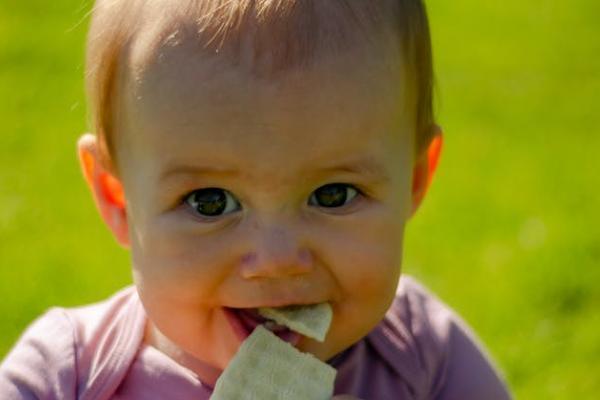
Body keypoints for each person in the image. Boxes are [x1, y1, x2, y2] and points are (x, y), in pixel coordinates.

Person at [0, 0, 512, 398]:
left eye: (333, 194)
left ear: (414, 179)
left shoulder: (427, 358)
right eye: (210, 202)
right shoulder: (63, 378)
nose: (276, 259)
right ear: (118, 199)